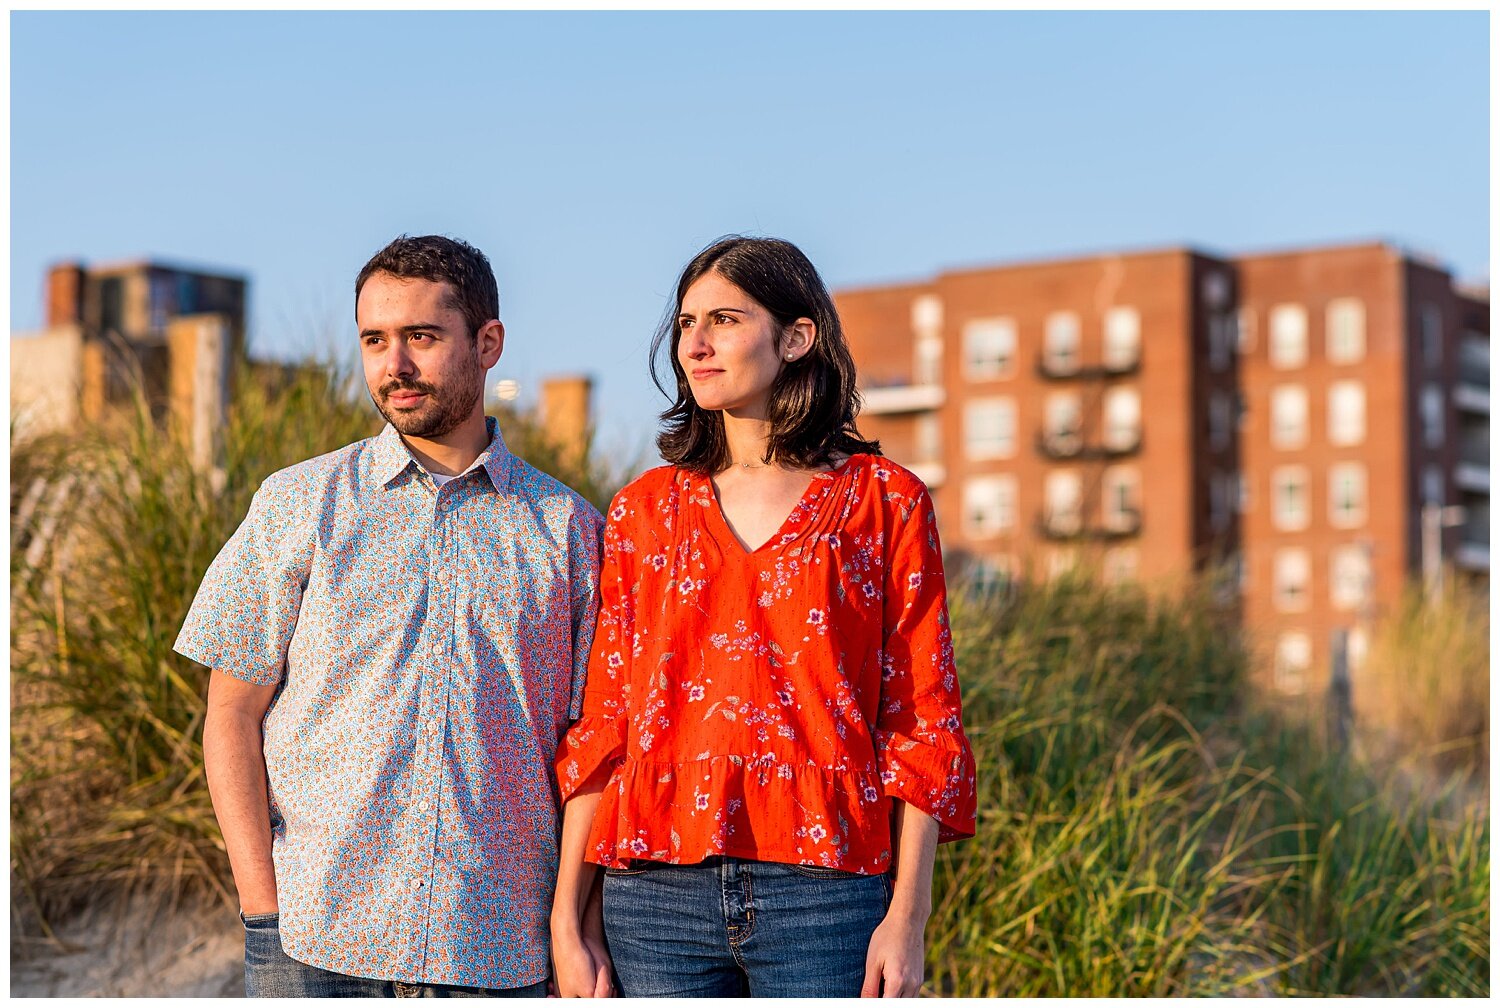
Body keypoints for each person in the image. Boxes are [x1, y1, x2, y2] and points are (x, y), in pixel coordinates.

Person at [176, 234, 604, 997]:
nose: (394, 365)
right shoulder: (297, 504)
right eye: (375, 339)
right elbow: (230, 715)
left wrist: (572, 926)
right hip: (313, 943)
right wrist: (263, 911)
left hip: (499, 952)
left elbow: (590, 752)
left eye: (422, 337)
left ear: (488, 342)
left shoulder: (569, 530)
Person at [550, 235, 977, 998]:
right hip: (653, 896)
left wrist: (907, 919)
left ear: (796, 336)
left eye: (723, 319)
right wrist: (567, 921)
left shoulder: (886, 503)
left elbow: (922, 722)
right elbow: (607, 726)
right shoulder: (643, 512)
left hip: (827, 894)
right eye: (685, 324)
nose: (697, 344)